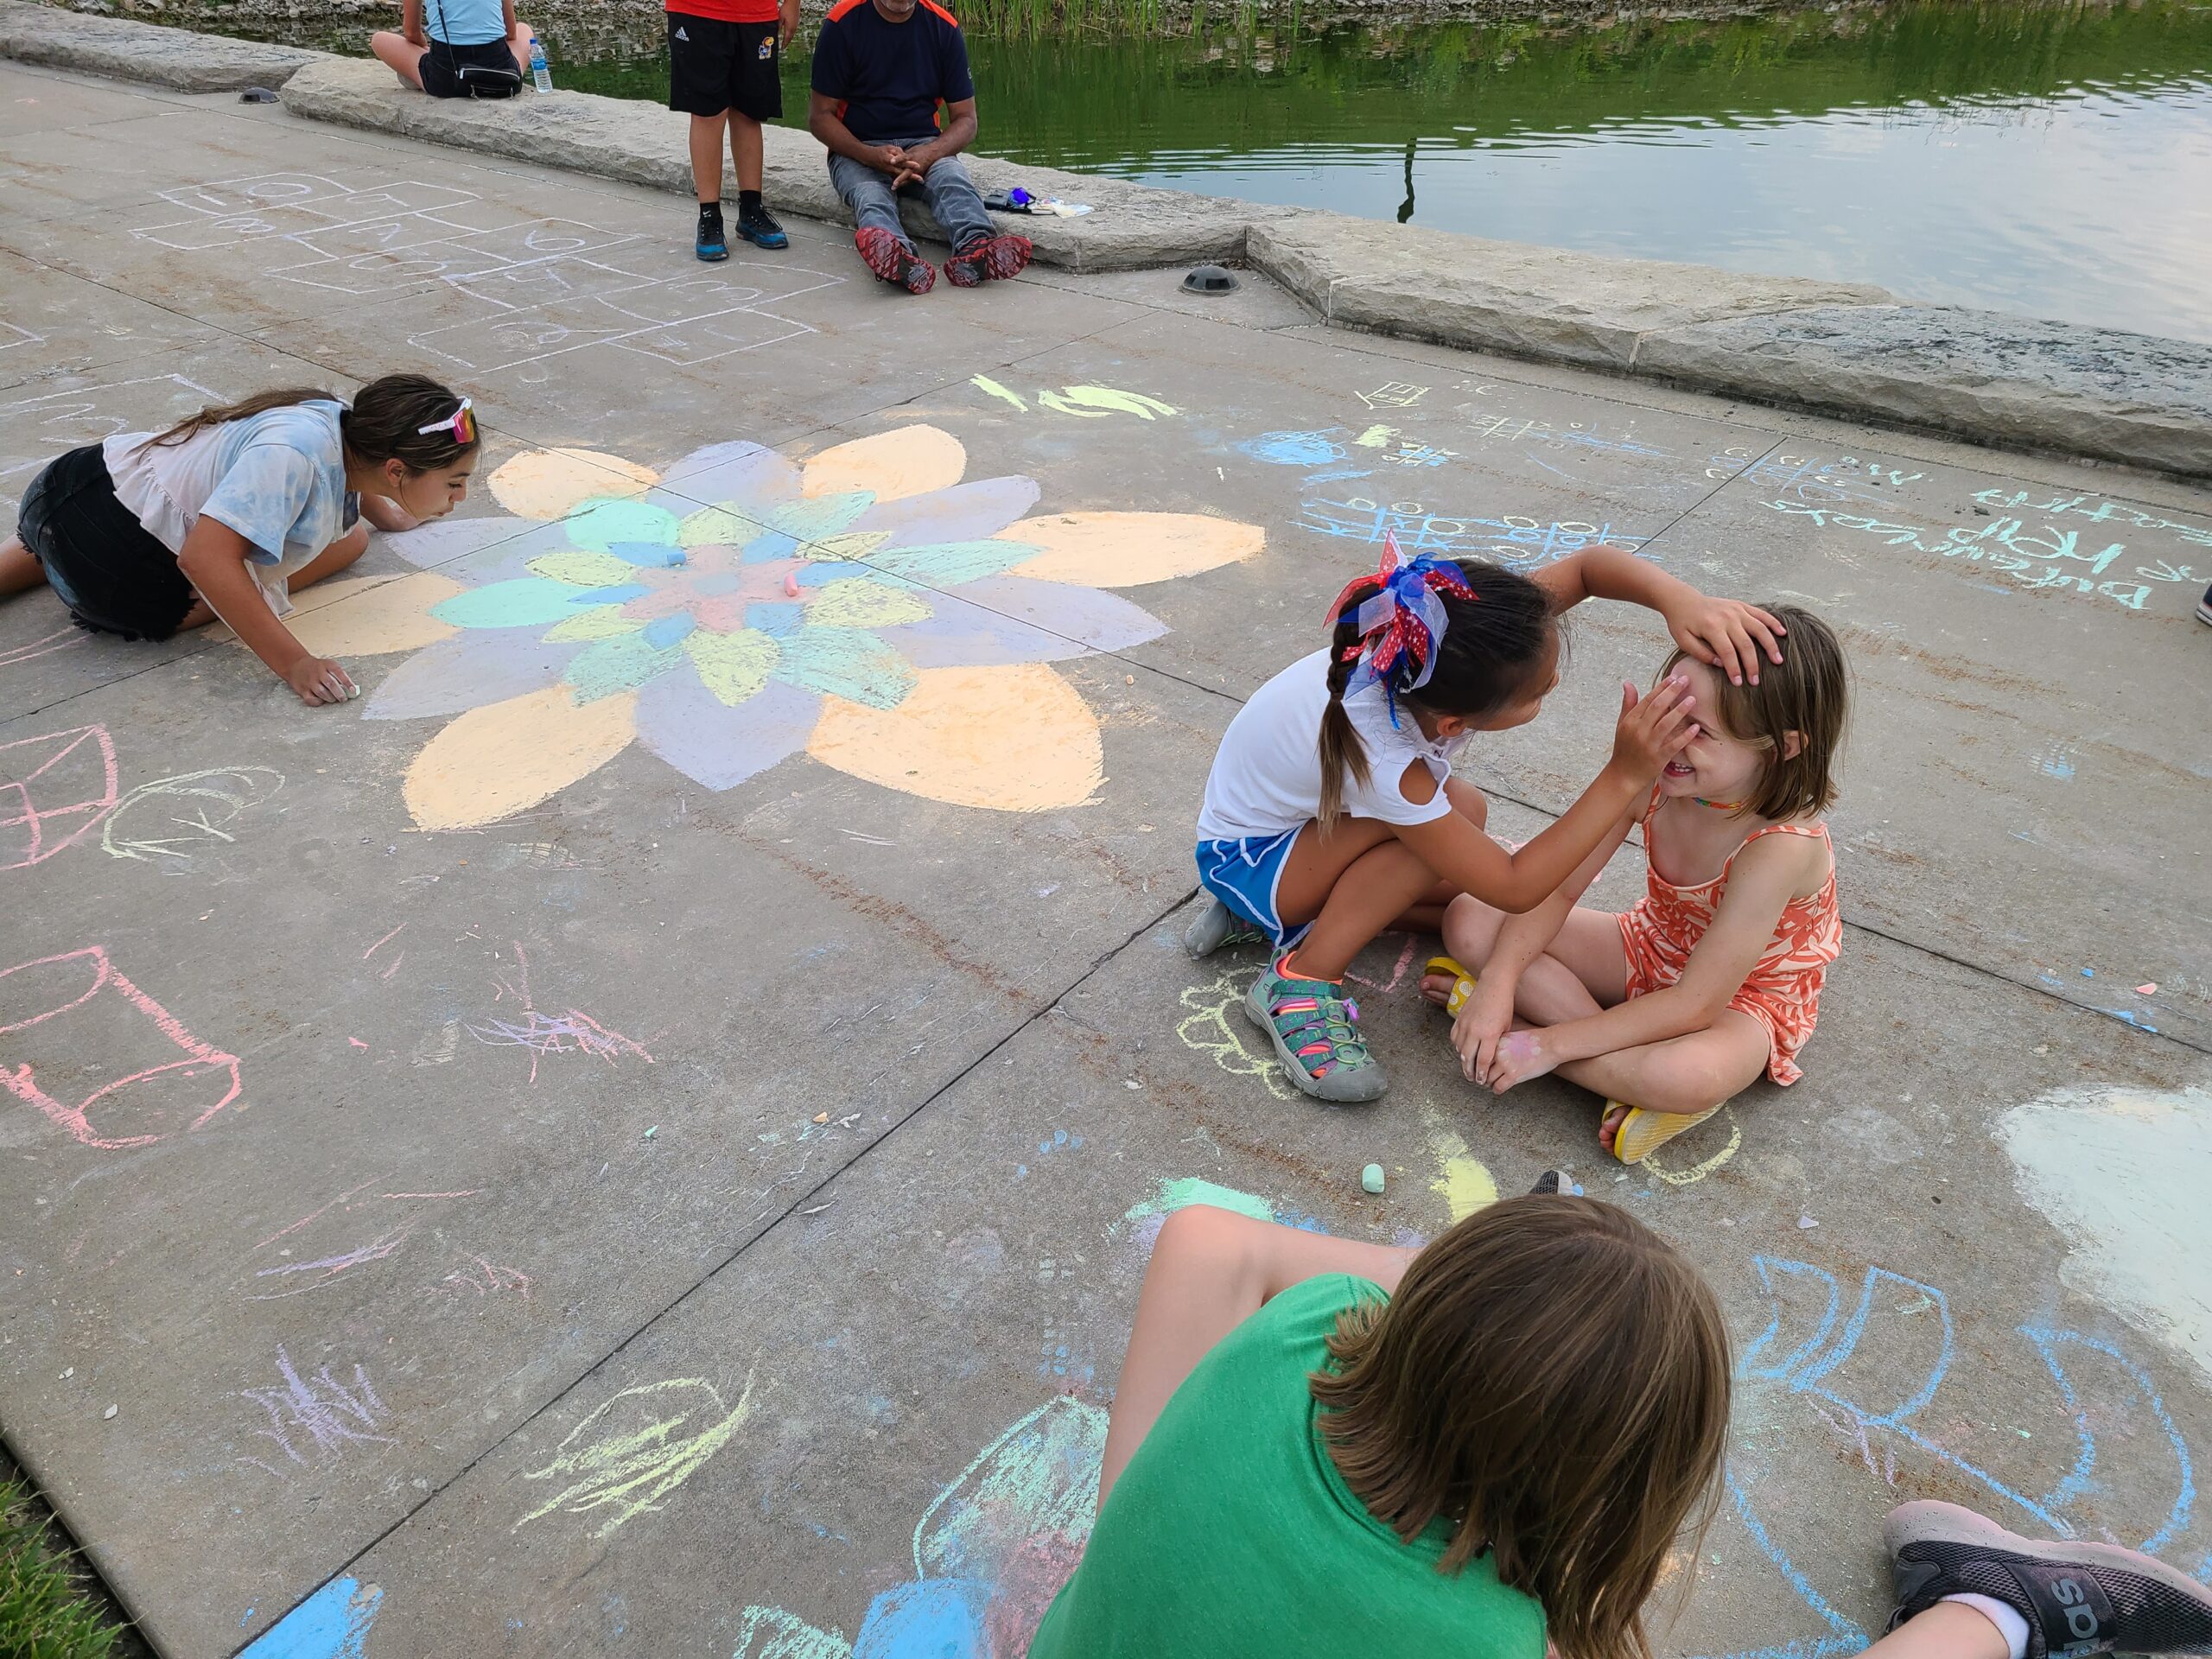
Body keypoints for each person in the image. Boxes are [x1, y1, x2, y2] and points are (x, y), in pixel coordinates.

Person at [1028, 1193, 2212, 1659]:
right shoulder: (1488, 1639)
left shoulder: (1311, 1326)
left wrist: (1504, 1301)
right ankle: (1992, 1614)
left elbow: (1200, 1239)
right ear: (1606, 1495)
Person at [1185, 536, 1785, 1103]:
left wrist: (1682, 602)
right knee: (1438, 846)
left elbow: (1588, 567)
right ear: (1454, 725)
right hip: (1254, 856)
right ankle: (1300, 979)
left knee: (1464, 825)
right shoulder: (1393, 760)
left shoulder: (1456, 632)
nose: (1548, 689)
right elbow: (1515, 885)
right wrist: (1623, 774)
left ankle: (1277, 913)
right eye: (1539, 694)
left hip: (1290, 835)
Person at [1420, 605, 1847, 1162]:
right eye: (1666, 711)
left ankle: (1561, 1055)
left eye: (1701, 732)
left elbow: (1696, 1003)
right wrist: (1500, 981)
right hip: (1651, 945)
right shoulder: (1654, 771)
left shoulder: (1780, 846)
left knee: (1686, 1075)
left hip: (1742, 1001)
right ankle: (1617, 1077)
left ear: (1785, 746)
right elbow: (1560, 888)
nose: (1669, 740)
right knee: (1471, 918)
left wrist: (1543, 1043)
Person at [0, 376, 481, 708]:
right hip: (119, 572)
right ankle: (68, 565)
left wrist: (391, 514)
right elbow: (203, 558)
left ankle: (42, 556)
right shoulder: (292, 458)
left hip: (72, 490)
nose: (461, 495)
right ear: (396, 471)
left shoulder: (336, 421)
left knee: (350, 538)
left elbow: (358, 471)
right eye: (454, 482)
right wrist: (295, 664)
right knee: (342, 544)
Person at [806, 0, 1032, 294]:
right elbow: (820, 117)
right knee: (871, 194)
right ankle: (898, 259)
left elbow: (966, 120)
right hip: (857, 146)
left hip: (924, 143)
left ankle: (977, 250)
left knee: (952, 180)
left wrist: (930, 154)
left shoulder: (944, 27)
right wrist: (871, 156)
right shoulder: (842, 23)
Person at [667, 0, 798, 261]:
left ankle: (752, 211)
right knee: (707, 113)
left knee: (750, 112)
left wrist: (793, 3)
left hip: (757, 14)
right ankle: (709, 217)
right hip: (697, 11)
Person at [371, 0, 532, 99]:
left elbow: (412, 33)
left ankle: (421, 70)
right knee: (524, 29)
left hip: (447, 79)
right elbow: (511, 34)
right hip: (503, 76)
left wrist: (424, 49)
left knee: (379, 40)